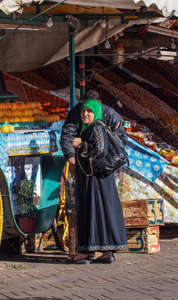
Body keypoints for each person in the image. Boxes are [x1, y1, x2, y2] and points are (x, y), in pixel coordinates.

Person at [70, 99, 127, 264]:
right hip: (98, 179)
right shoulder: (91, 127)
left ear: (96, 113)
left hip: (95, 179)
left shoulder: (96, 127)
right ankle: (106, 252)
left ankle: (87, 252)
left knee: (93, 211)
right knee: (102, 212)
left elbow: (100, 151)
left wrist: (82, 145)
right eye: (83, 111)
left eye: (89, 111)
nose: (85, 114)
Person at [60, 90, 127, 167]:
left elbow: (120, 139)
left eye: (89, 110)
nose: (85, 114)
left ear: (99, 102)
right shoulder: (76, 113)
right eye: (84, 108)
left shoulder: (110, 115)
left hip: (105, 163)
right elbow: (67, 135)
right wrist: (70, 155)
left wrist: (84, 145)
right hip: (82, 161)